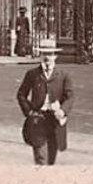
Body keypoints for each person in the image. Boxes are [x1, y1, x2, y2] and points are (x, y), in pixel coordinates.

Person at [15, 38, 75, 166]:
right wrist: (29, 111)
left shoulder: (63, 75)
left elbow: (70, 96)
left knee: (51, 159)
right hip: (38, 120)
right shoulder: (32, 74)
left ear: (55, 56)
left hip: (55, 121)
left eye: (50, 54)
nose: (47, 57)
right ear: (40, 56)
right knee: (41, 159)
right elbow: (21, 94)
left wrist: (63, 110)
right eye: (44, 54)